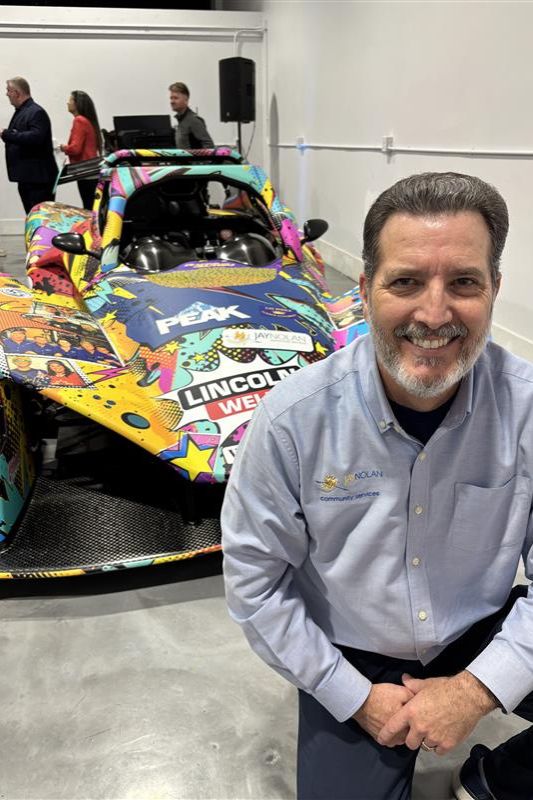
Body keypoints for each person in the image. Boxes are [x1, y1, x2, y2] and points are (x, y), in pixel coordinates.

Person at [221, 172, 533, 800]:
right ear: (364, 290)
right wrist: (354, 697)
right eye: (406, 282)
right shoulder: (292, 421)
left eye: (465, 282)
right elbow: (257, 586)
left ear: (495, 288)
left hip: (480, 623)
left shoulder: (527, 408)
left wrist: (477, 688)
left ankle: (502, 777)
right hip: (355, 649)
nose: (435, 313)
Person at [0, 77, 58, 214]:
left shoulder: (36, 112)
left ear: (17, 92)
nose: (6, 94)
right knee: (33, 217)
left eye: (8, 91)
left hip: (38, 180)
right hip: (28, 177)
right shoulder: (23, 111)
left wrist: (7, 134)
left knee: (41, 219)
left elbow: (36, 137)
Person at [59, 90, 102, 210]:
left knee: (88, 207)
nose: (67, 103)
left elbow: (75, 148)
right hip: (91, 171)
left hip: (85, 171)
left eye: (70, 100)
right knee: (92, 206)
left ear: (77, 104)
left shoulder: (79, 121)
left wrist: (62, 148)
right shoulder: (88, 121)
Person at [168, 81, 214, 149]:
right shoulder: (180, 121)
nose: (172, 101)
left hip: (193, 160)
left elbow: (209, 146)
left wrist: (195, 159)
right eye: (171, 98)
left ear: (186, 99)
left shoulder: (193, 120)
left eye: (175, 98)